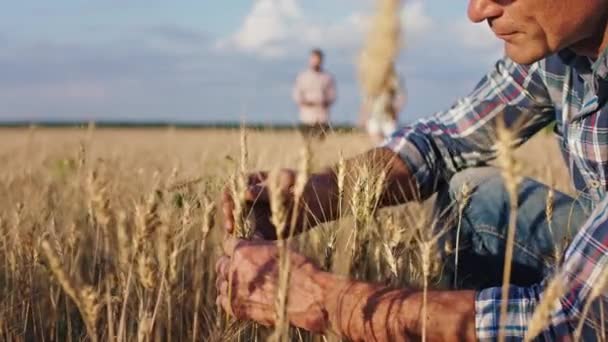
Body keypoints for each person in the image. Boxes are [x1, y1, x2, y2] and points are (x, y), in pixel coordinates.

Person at [217, 0, 608, 340]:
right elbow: (442, 139)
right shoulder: (561, 55)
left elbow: (580, 321)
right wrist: (318, 193)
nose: (477, 11)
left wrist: (325, 301)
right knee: (478, 196)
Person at [292, 48, 337, 140]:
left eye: (318, 59)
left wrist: (324, 102)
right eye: (314, 59)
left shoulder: (327, 77)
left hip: (322, 117)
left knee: (320, 143)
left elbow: (332, 95)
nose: (316, 62)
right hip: (306, 117)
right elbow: (296, 95)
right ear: (310, 59)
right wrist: (307, 102)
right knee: (307, 144)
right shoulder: (302, 77)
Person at [359, 68, 406, 144]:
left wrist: (396, 111)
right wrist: (363, 116)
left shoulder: (394, 80)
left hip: (388, 118)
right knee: (378, 143)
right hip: (374, 117)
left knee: (392, 142)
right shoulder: (372, 82)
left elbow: (401, 97)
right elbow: (367, 101)